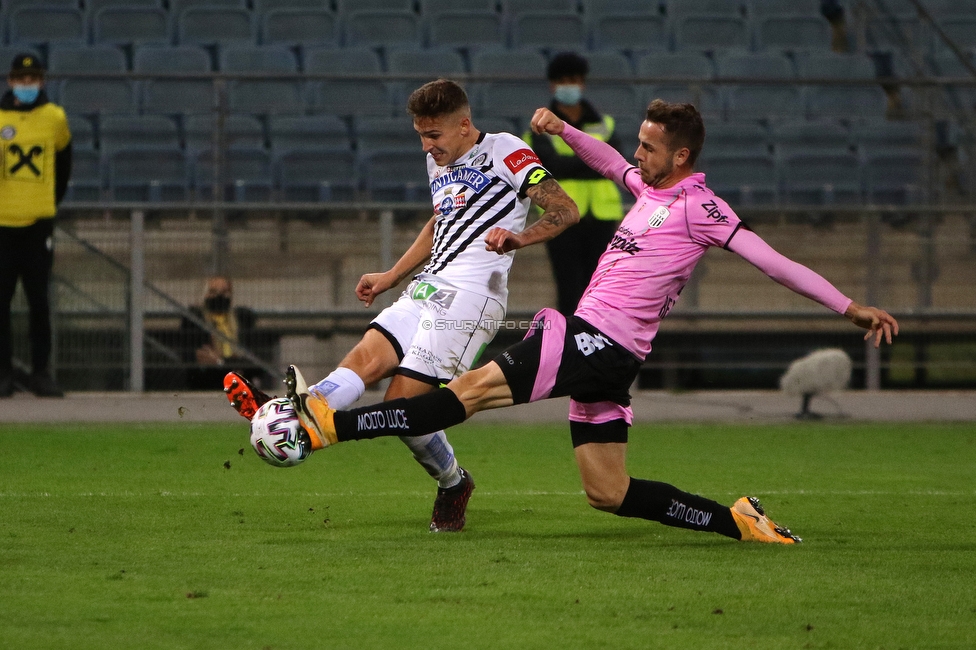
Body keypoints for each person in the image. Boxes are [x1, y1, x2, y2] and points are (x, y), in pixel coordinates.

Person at [281, 100, 900, 544]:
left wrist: (847, 307)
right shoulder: (650, 190)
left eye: (649, 146)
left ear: (681, 155)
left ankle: (328, 426)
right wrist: (563, 130)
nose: (637, 153)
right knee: (609, 492)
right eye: (638, 141)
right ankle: (736, 521)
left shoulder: (703, 208)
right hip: (611, 357)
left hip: (593, 340)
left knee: (454, 399)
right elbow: (608, 162)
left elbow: (775, 262)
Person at [225, 79, 579, 532]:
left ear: (464, 125)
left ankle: (449, 482)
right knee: (361, 363)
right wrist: (392, 275)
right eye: (420, 136)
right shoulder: (440, 163)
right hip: (426, 289)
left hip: (472, 301)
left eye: (434, 135)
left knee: (404, 410)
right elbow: (441, 220)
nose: (427, 146)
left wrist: (519, 237)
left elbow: (565, 210)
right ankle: (294, 415)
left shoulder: (506, 149)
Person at [524, 52, 625, 316]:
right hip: (560, 214)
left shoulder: (605, 123)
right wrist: (594, 159)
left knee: (599, 285)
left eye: (575, 79)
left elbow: (614, 163)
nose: (570, 85)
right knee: (567, 286)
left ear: (583, 83)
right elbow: (552, 167)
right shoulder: (538, 128)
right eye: (564, 80)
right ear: (553, 85)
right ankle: (568, 343)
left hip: (602, 213)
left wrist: (572, 162)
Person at [0, 54, 72, 398]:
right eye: (20, 78)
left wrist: (48, 203)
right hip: (2, 223)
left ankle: (41, 373)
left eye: (32, 78)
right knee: (1, 302)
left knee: (38, 301)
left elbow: (64, 161)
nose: (26, 84)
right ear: (11, 80)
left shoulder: (54, 117)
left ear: (41, 81)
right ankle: (3, 374)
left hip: (38, 224)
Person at [179, 275, 261, 391]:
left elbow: (254, 363)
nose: (219, 296)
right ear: (204, 295)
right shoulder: (196, 321)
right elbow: (196, 361)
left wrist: (220, 362)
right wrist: (235, 364)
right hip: (208, 386)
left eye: (224, 292)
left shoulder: (242, 319)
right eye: (213, 291)